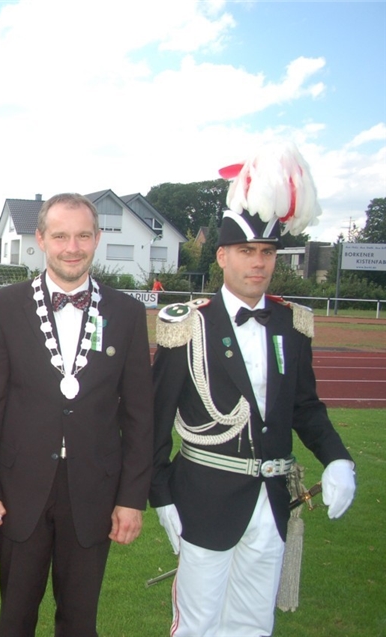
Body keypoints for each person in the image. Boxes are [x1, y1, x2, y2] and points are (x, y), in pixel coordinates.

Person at [150, 142, 356, 637]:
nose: (258, 263)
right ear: (222, 256)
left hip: (271, 500)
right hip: (203, 500)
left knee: (252, 625)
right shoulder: (187, 326)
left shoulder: (292, 323)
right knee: (197, 626)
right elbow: (154, 420)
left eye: (266, 252)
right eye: (246, 251)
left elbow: (305, 407)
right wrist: (161, 498)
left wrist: (338, 458)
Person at [0, 193, 154, 636]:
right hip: (19, 489)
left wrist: (131, 498)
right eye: (61, 236)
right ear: (41, 239)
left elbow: (140, 413)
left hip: (94, 491)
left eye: (83, 235)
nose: (73, 247)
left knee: (79, 621)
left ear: (97, 238)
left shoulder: (126, 312)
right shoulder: (6, 306)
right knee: (15, 618)